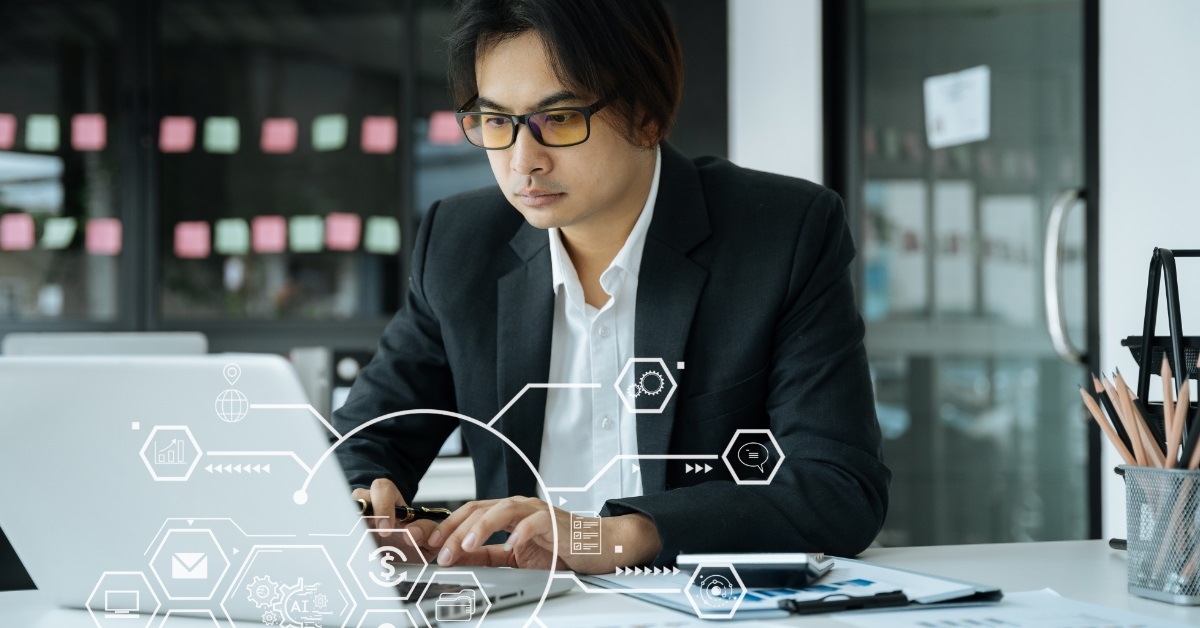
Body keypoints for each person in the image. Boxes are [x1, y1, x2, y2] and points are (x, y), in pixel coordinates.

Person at [333, 0, 890, 575]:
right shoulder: (458, 244)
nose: (524, 162)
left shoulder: (781, 234)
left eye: (561, 118)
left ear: (646, 115)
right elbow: (363, 442)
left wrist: (620, 536)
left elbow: (841, 488)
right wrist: (367, 512)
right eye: (497, 121)